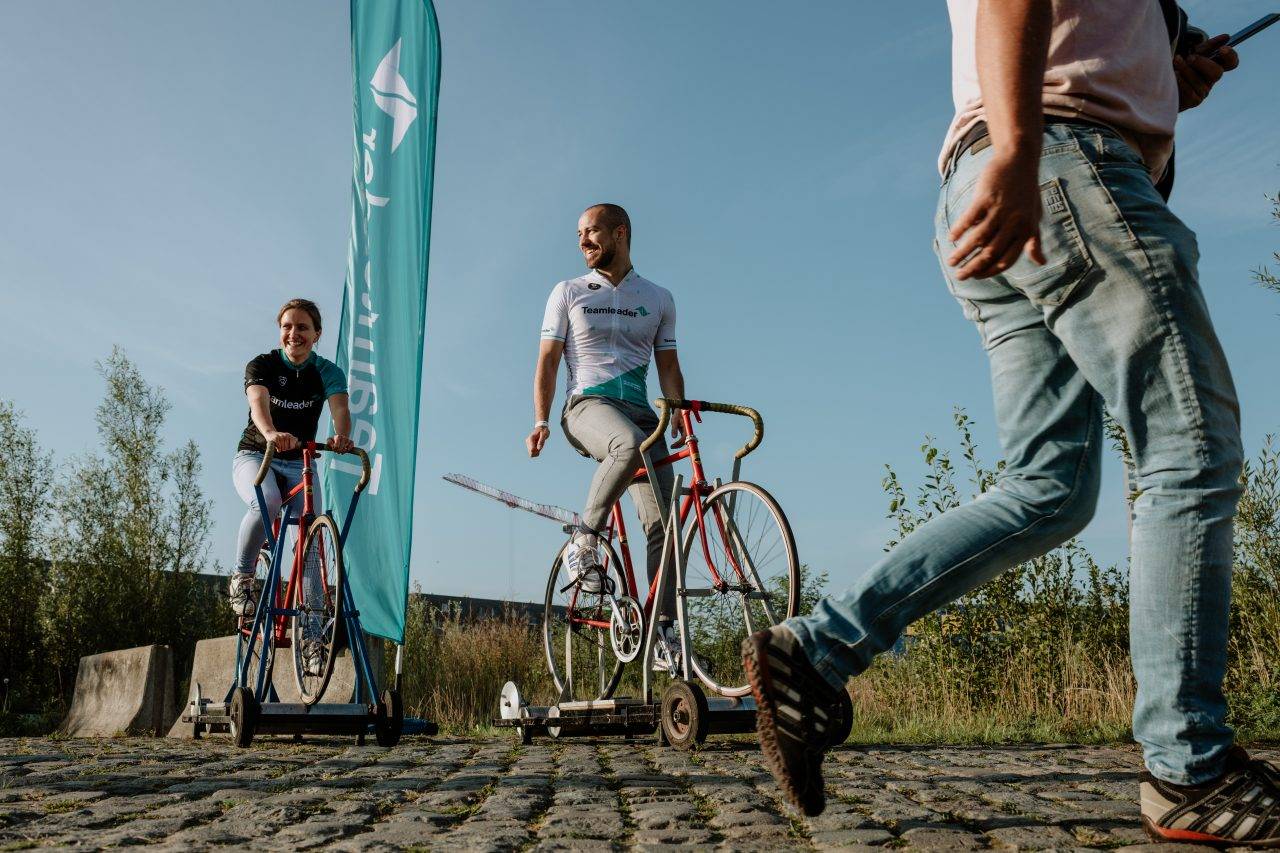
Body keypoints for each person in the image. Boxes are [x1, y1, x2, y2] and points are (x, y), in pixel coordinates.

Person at [743, 2, 1271, 844]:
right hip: (1057, 162)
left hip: (995, 176)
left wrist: (1170, 74)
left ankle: (818, 650)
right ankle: (1190, 766)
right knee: (1189, 447)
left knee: (1049, 488)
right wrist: (1025, 147)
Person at [527, 203, 688, 667]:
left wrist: (676, 410)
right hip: (587, 406)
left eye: (591, 232)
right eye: (578, 234)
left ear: (620, 233)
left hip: (643, 414)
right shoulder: (569, 292)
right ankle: (584, 540)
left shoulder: (658, 297)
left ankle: (661, 631)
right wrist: (540, 421)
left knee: (666, 525)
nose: (582, 241)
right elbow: (548, 361)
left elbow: (669, 365)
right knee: (626, 446)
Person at [229, 298, 354, 671]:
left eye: (302, 327)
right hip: (258, 455)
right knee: (266, 502)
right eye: (287, 326)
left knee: (312, 540)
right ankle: (243, 575)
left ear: (317, 335)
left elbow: (340, 410)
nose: (293, 334)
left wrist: (342, 437)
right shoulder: (263, 365)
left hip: (300, 461)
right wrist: (271, 433)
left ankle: (313, 637)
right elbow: (258, 403)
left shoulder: (327, 372)